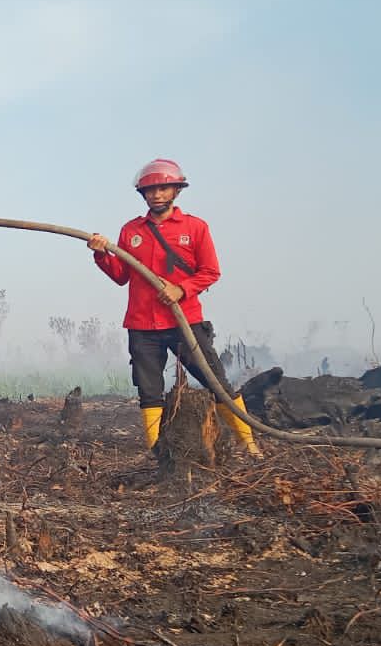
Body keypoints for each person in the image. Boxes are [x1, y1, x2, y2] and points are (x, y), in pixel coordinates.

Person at [86, 158, 262, 458]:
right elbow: (120, 276)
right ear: (143, 194)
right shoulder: (131, 230)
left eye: (163, 188)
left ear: (176, 191)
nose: (156, 195)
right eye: (150, 190)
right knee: (148, 390)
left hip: (185, 323)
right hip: (142, 326)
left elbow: (210, 271)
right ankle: (157, 453)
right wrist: (102, 255)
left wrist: (182, 289)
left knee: (216, 382)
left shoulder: (195, 228)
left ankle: (250, 446)